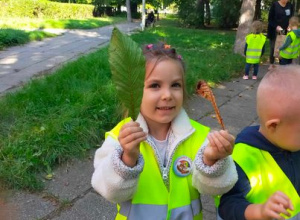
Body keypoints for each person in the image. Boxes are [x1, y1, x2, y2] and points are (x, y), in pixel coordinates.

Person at [92, 42, 238, 219]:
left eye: (175, 85)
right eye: (155, 85)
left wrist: (211, 160)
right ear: (134, 91)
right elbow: (108, 191)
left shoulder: (199, 136)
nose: (168, 95)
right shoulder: (119, 139)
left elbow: (218, 187)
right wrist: (127, 159)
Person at [219, 65, 300, 220]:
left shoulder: (292, 143)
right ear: (274, 125)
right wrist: (259, 212)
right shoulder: (243, 159)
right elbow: (228, 205)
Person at [267, 0, 294, 64]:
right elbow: (270, 19)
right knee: (273, 48)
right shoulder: (274, 5)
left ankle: (281, 65)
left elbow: (291, 17)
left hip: (285, 30)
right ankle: (271, 63)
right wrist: (276, 26)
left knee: (283, 47)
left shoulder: (290, 5)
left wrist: (290, 25)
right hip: (274, 31)